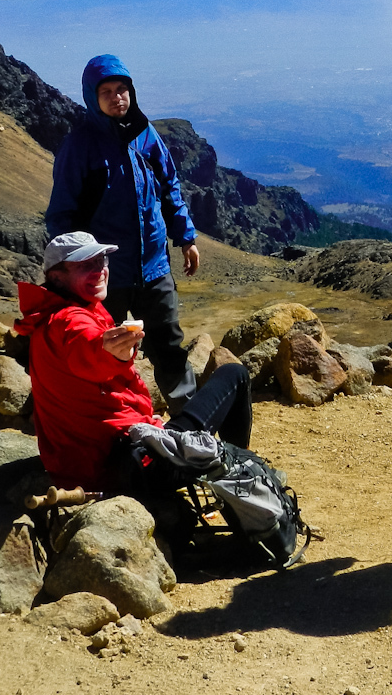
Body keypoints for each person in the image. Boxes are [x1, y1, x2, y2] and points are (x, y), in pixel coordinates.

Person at [15, 232, 251, 500]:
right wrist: (113, 355)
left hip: (87, 463)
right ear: (57, 277)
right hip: (131, 465)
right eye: (84, 265)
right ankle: (241, 475)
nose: (100, 271)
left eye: (102, 260)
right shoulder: (68, 321)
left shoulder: (53, 316)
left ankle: (233, 470)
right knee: (234, 374)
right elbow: (87, 349)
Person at [46, 53, 200, 411]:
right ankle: (110, 418)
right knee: (104, 347)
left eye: (122, 89)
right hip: (104, 274)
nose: (117, 97)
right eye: (107, 92)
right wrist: (68, 272)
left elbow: (169, 189)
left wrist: (186, 237)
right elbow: (62, 213)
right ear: (92, 98)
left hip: (154, 267)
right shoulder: (80, 146)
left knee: (168, 345)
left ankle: (191, 421)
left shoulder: (146, 137)